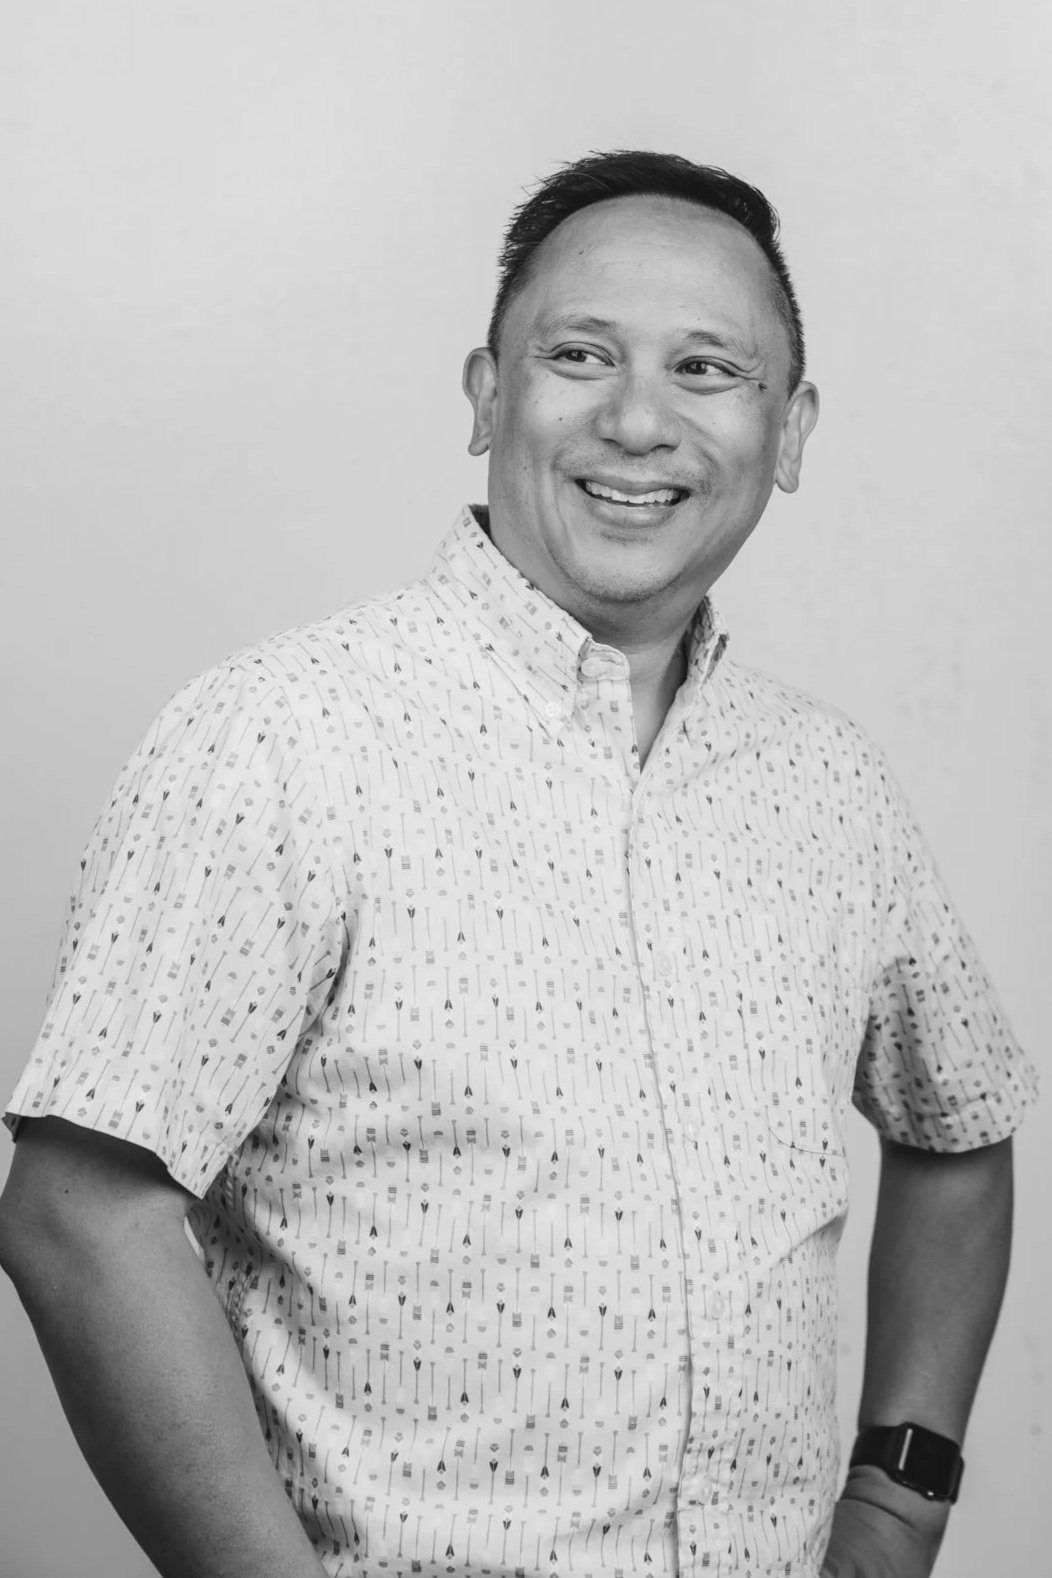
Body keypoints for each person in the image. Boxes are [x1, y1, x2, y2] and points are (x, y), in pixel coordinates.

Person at [0, 149, 1036, 1578]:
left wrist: (900, 1501)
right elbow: (77, 1210)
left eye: (707, 367)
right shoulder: (287, 736)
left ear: (789, 432)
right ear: (489, 396)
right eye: (580, 353)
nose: (637, 418)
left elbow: (960, 1122)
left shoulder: (830, 785)